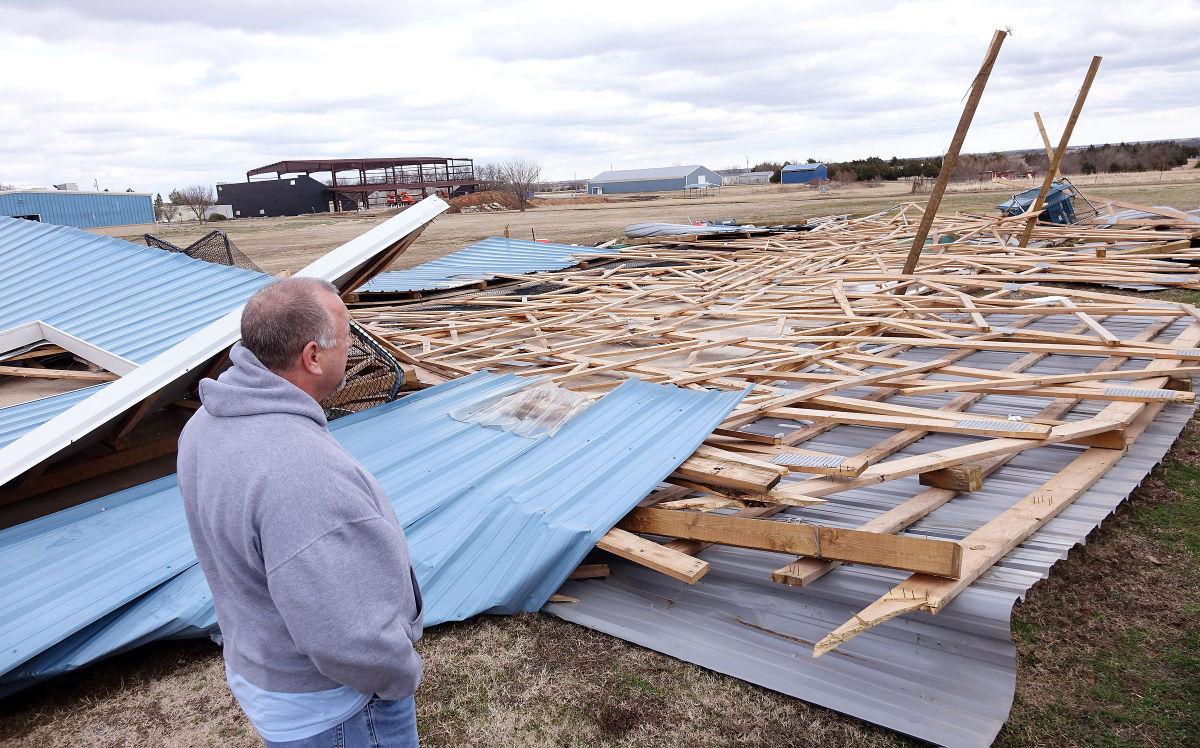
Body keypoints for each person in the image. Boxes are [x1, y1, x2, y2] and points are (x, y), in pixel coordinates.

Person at [178, 278, 423, 747]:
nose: (353, 346)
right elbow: (345, 635)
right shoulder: (302, 472)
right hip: (338, 710)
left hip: (266, 671)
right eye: (347, 335)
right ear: (312, 356)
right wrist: (399, 676)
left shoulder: (205, 423)